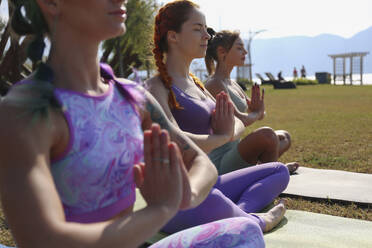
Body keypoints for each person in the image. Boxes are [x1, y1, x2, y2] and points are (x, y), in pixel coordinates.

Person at [0, 0, 267, 247]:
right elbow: (44, 239)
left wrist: (184, 195)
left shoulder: (131, 96)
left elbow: (202, 163)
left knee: (245, 231)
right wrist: (160, 210)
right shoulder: (25, 111)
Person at [146, 0, 289, 236]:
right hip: (177, 197)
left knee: (278, 171)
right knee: (210, 198)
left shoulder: (198, 84)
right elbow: (174, 140)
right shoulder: (156, 87)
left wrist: (226, 132)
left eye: (207, 29)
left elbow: (237, 123)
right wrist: (222, 136)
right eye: (197, 29)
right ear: (173, 36)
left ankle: (237, 214)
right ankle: (256, 222)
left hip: (209, 184)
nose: (206, 36)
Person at [204, 29, 299, 174]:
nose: (245, 53)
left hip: (236, 151)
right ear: (222, 52)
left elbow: (259, 115)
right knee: (267, 135)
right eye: (239, 48)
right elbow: (241, 120)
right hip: (221, 161)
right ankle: (273, 174)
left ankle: (264, 170)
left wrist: (259, 109)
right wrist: (257, 112)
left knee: (284, 137)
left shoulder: (232, 83)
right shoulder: (214, 84)